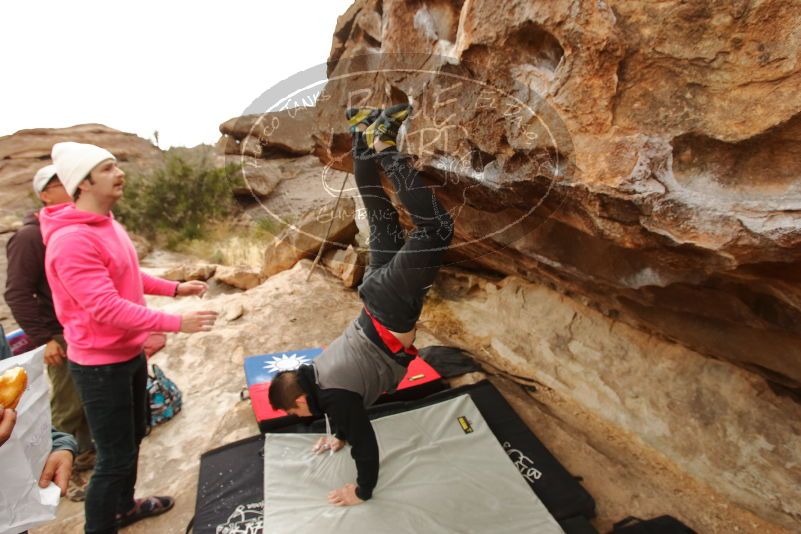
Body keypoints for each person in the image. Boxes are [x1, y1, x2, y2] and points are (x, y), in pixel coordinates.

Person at [268, 104, 454, 507]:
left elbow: (364, 443)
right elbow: (337, 403)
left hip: (389, 306)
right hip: (374, 296)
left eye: (301, 414)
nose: (306, 416)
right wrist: (336, 434)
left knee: (436, 228)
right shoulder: (316, 373)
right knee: (380, 212)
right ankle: (361, 135)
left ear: (301, 401)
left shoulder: (333, 396)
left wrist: (362, 490)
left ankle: (385, 143)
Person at [39, 141, 219, 534]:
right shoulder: (71, 241)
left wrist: (173, 289)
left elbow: (125, 274)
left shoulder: (105, 222)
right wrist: (176, 323)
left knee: (134, 436)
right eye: (107, 169)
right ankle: (100, 525)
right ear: (82, 184)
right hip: (100, 367)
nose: (119, 173)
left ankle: (124, 507)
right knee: (114, 459)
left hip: (128, 353)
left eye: (116, 164)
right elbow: (104, 306)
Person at [5, 164, 96, 492]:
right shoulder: (30, 236)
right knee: (68, 404)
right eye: (61, 184)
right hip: (58, 334)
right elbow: (16, 293)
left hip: (81, 330)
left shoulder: (70, 226)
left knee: (86, 397)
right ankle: (60, 473)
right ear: (45, 195)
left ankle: (83, 453)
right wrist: (44, 340)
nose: (72, 187)